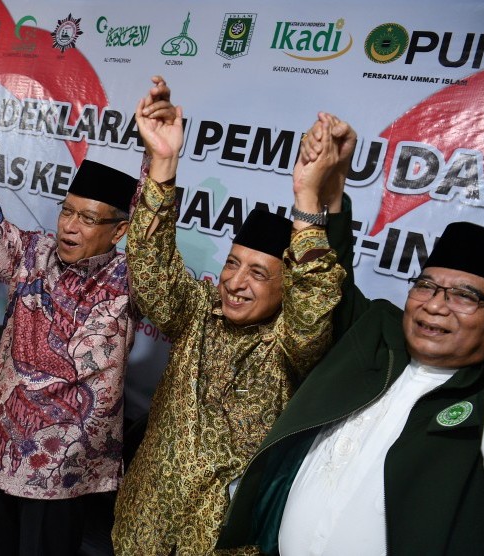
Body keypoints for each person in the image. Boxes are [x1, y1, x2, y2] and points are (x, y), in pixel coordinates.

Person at [216, 117, 484, 555]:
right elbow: (330, 284)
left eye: (464, 296)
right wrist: (328, 189)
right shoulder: (378, 333)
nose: (435, 304)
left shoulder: (481, 400)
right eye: (426, 286)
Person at [112, 82, 349, 555]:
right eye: (232, 263)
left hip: (218, 543)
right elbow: (149, 260)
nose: (236, 281)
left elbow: (315, 306)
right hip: (142, 526)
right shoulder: (198, 311)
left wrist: (309, 201)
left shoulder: (291, 344)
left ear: (289, 286)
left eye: (259, 273)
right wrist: (162, 163)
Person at [0, 63, 140, 556]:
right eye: (67, 211)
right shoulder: (33, 254)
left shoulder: (130, 282)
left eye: (88, 218)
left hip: (63, 470)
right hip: (1, 447)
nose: (70, 227)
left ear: (119, 231)